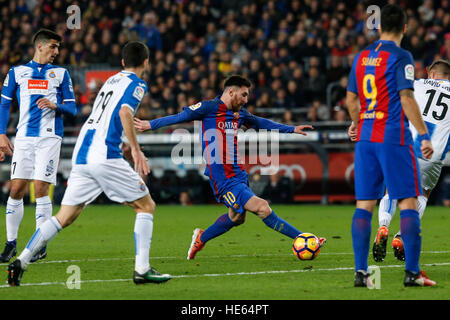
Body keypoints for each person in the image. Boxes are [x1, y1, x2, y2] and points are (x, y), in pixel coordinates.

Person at [6, 41, 171, 286]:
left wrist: (124, 143)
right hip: (105, 155)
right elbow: (125, 112)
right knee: (146, 206)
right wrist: (135, 149)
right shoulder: (137, 84)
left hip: (83, 154)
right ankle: (142, 269)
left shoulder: (112, 81)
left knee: (65, 216)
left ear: (123, 62)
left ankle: (22, 260)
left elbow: (105, 117)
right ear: (146, 63)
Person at [134, 75, 326, 261]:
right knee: (263, 208)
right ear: (231, 92)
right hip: (223, 179)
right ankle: (306, 239)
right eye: (243, 95)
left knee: (237, 218)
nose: (246, 99)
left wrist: (291, 129)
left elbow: (261, 123)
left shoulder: (239, 114)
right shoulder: (208, 107)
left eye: (247, 95)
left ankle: (201, 237)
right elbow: (180, 116)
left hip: (239, 174)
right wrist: (150, 124)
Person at [346, 4, 436, 287]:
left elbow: (351, 100)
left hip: (365, 139)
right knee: (409, 201)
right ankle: (412, 273)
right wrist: (423, 135)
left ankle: (362, 274)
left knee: (364, 205)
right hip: (393, 137)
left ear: (379, 26)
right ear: (405, 28)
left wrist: (357, 122)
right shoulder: (401, 56)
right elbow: (407, 98)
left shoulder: (361, 57)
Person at [0, 29, 77, 263]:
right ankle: (11, 243)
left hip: (49, 138)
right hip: (23, 137)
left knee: (40, 188)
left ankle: (39, 245)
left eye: (58, 48)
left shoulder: (62, 74)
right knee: (16, 189)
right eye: (53, 47)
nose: (57, 51)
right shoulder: (17, 72)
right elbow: (4, 105)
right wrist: (1, 135)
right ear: (40, 46)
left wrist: (56, 106)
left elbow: (73, 109)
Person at [372, 59, 450, 262]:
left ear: (431, 74)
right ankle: (402, 236)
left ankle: (383, 225)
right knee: (423, 194)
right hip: (435, 154)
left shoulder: (418, 84)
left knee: (391, 189)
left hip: (409, 147)